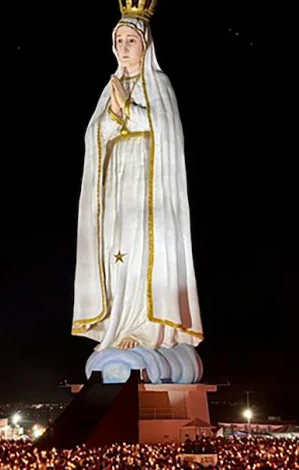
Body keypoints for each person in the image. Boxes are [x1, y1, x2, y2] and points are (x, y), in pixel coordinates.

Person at [72, 0, 204, 352]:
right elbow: (94, 135)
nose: (123, 48)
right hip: (117, 188)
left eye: (131, 40)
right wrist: (113, 114)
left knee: (145, 252)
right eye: (119, 41)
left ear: (145, 44)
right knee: (118, 251)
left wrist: (127, 111)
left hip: (149, 186)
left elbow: (165, 130)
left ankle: (148, 328)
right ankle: (119, 323)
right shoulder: (110, 86)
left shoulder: (158, 82)